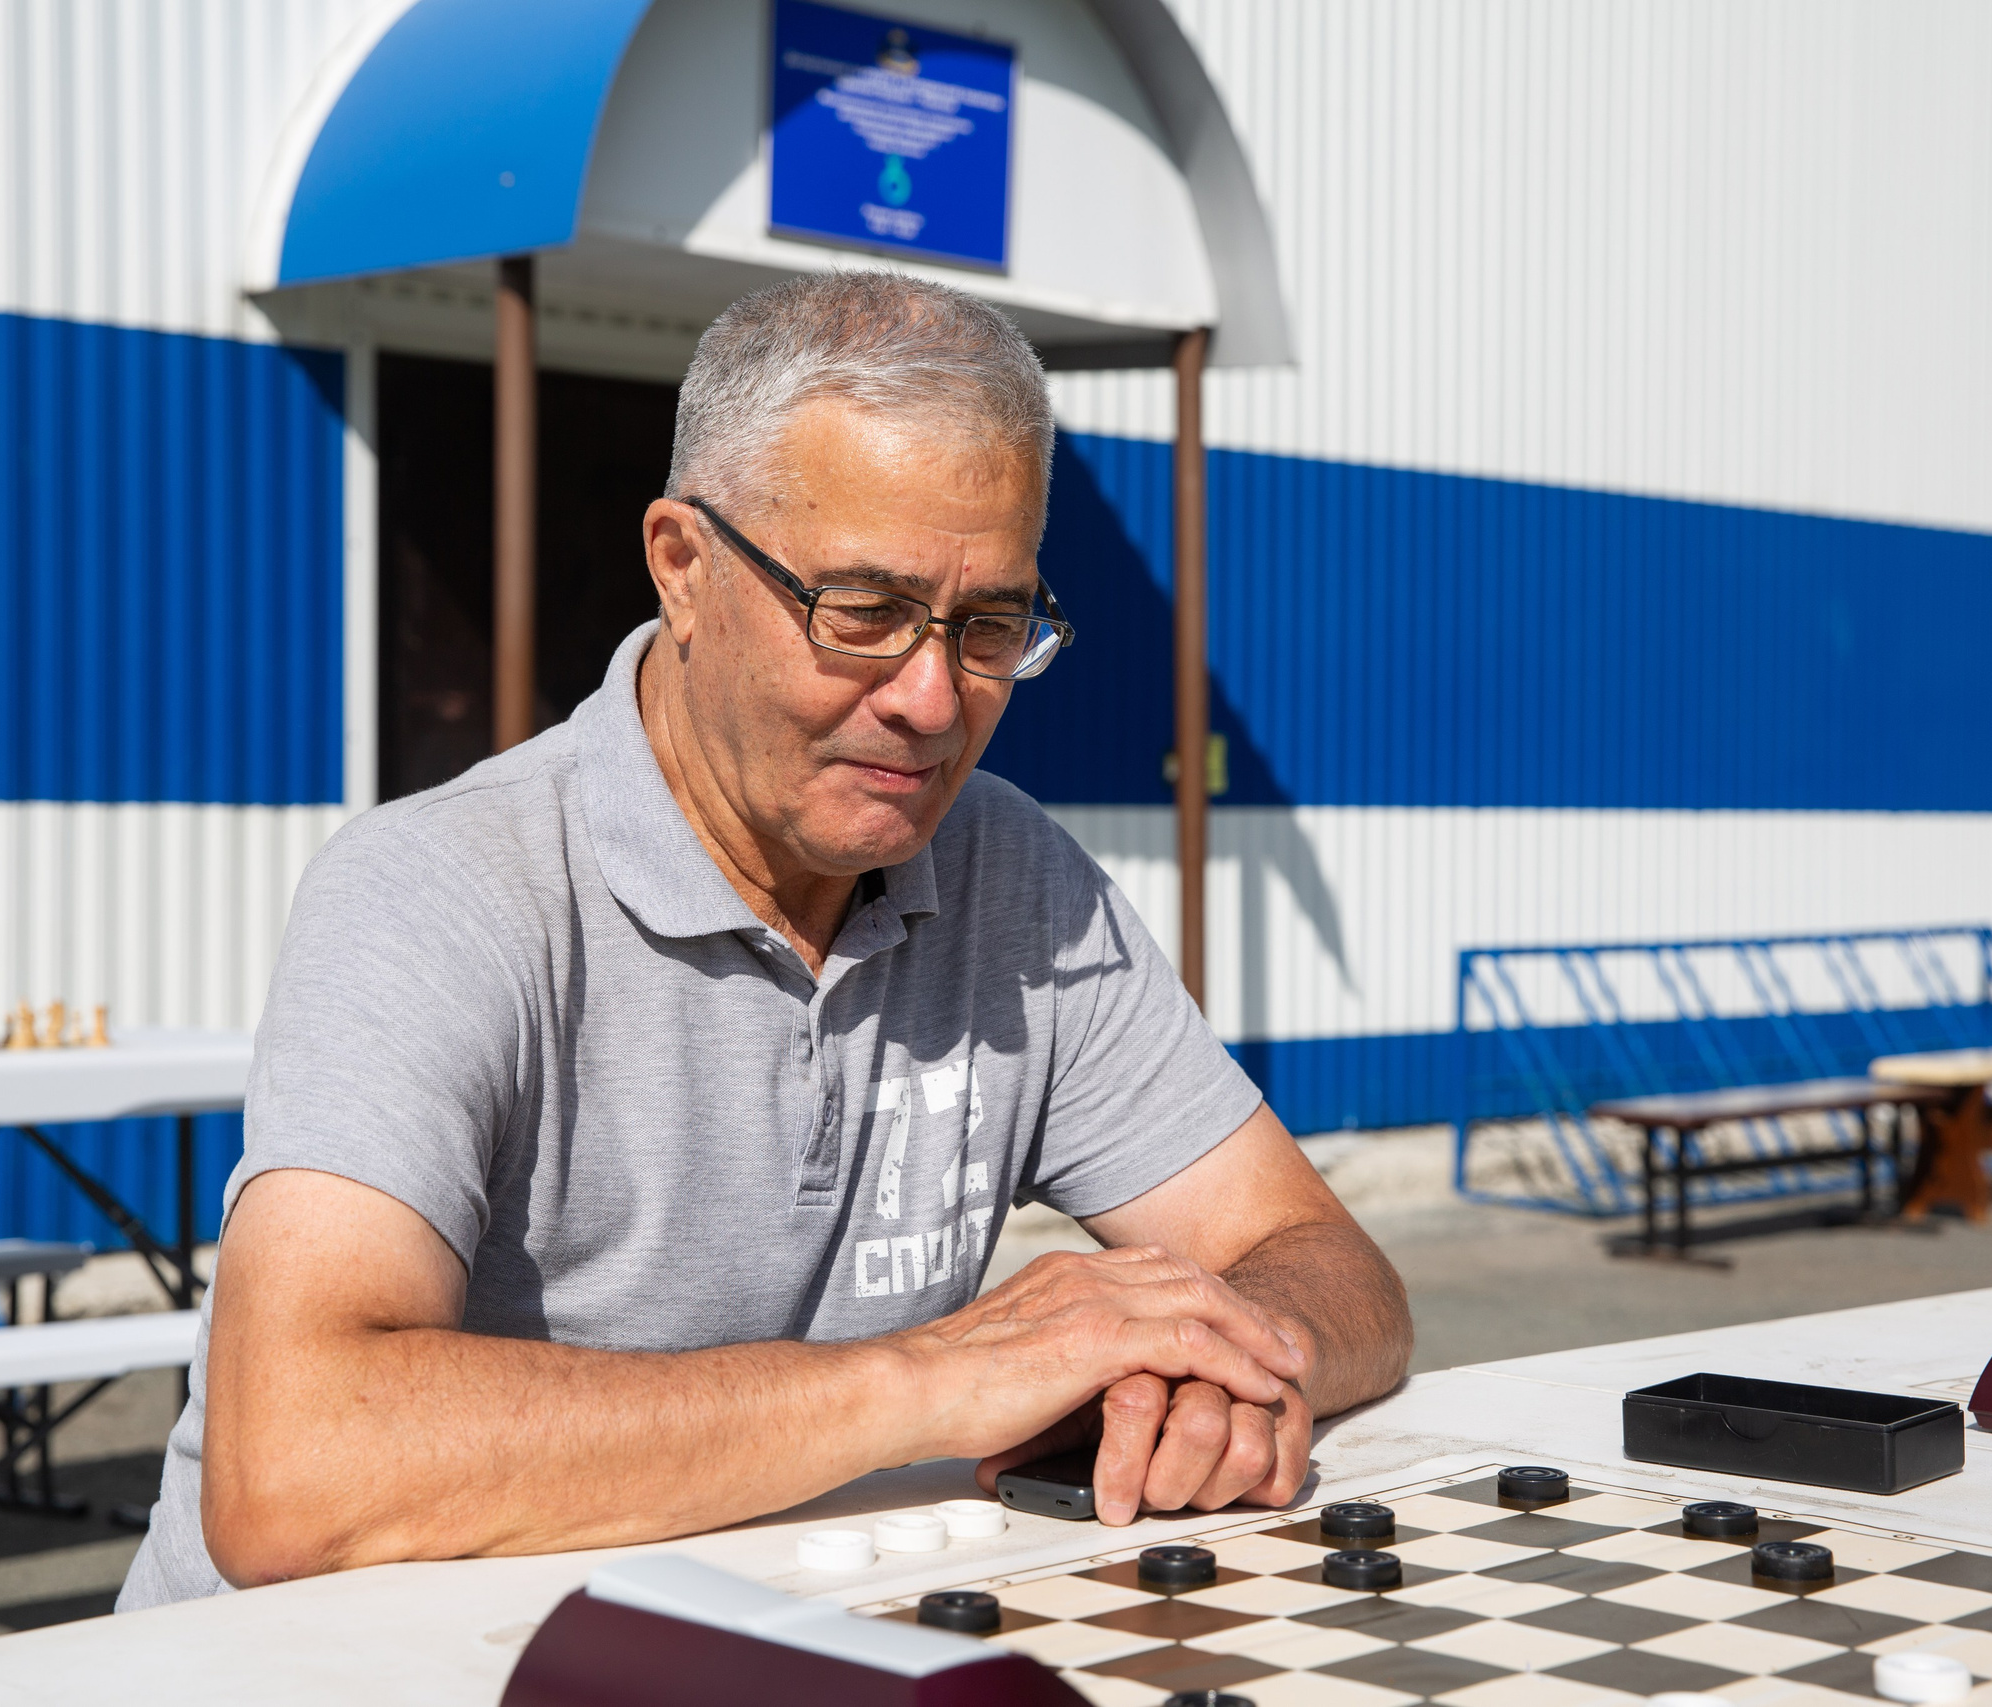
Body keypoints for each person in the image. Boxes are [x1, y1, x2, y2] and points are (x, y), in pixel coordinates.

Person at [118, 272, 1412, 1609]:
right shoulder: (441, 887)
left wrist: (1210, 1365)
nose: (930, 700)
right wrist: (939, 1377)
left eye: (989, 627)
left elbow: (1330, 1264)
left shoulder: (1013, 874)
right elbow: (295, 1473)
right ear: (682, 566)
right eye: (860, 609)